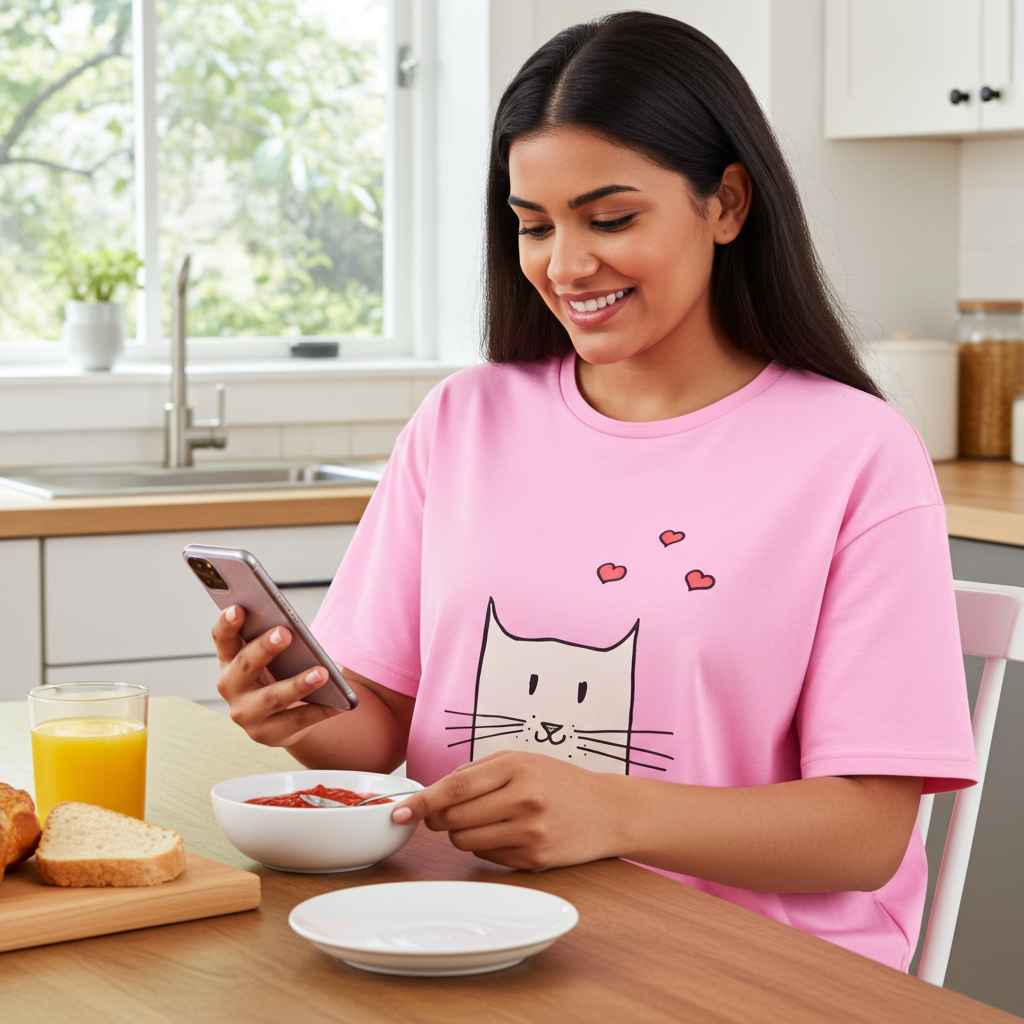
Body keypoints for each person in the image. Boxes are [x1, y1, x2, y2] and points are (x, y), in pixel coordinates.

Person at [211, 12, 976, 971]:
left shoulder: (855, 453)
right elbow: (376, 741)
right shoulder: (464, 421)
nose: (566, 266)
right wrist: (295, 710)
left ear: (727, 204)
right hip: (462, 935)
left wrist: (611, 809)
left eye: (610, 219)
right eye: (534, 225)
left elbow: (864, 835)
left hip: (739, 965)